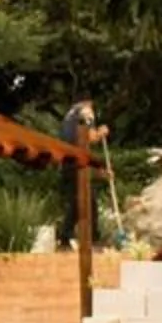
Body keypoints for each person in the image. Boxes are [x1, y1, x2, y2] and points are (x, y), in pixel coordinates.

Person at [57, 98, 108, 247]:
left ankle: (65, 238)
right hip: (76, 163)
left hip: (66, 162)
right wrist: (101, 133)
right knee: (89, 202)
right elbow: (91, 137)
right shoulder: (86, 111)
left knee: (76, 202)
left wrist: (101, 171)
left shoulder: (69, 115)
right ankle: (93, 239)